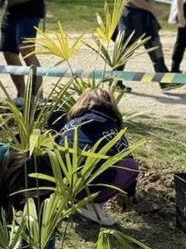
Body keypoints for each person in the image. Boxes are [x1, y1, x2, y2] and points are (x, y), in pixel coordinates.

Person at [59, 86, 138, 227]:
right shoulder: (110, 127)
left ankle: (68, 202)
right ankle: (92, 205)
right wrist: (131, 193)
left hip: (64, 183)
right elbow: (127, 156)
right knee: (130, 166)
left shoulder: (69, 125)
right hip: (91, 185)